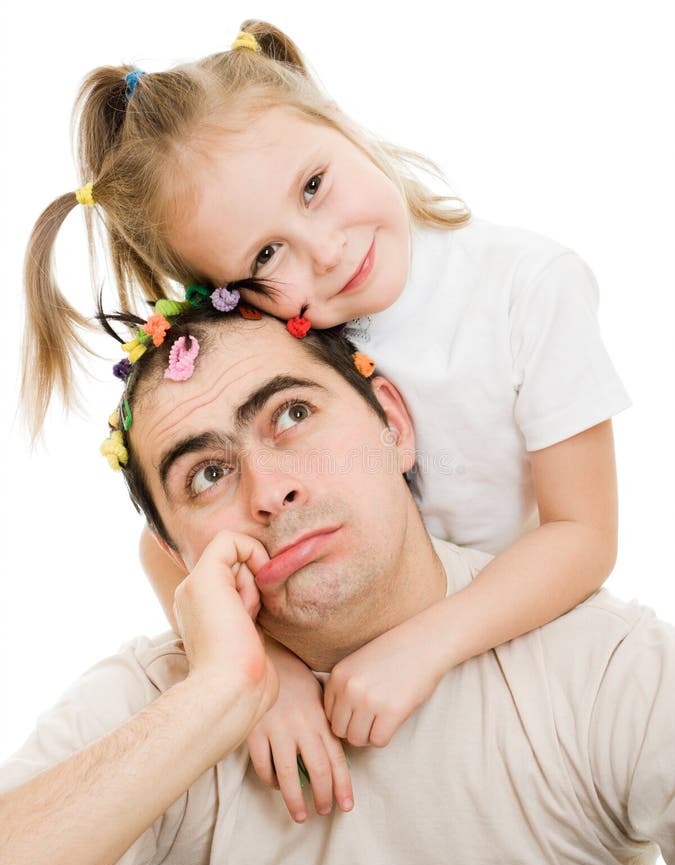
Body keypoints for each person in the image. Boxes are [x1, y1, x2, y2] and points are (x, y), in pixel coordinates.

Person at [20, 21, 631, 821]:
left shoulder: (527, 288)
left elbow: (584, 536)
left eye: (312, 185)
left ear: (336, 119)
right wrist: (265, 674)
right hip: (351, 662)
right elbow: (165, 549)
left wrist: (428, 644)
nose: (326, 250)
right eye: (265, 258)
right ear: (223, 291)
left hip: (509, 634)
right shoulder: (277, 339)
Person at [1, 309, 672, 865]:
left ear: (393, 424)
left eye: (292, 415)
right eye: (207, 473)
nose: (270, 490)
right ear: (177, 555)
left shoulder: (606, 666)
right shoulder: (154, 700)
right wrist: (222, 694)